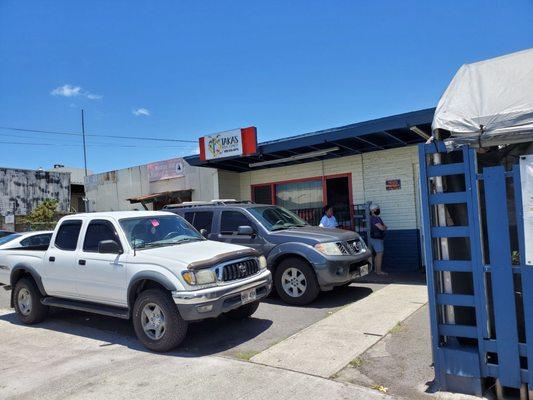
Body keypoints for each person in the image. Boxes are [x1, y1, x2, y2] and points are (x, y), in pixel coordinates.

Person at [369, 204, 387, 275]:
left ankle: (376, 270)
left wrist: (384, 227)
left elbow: (384, 226)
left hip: (379, 238)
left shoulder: (378, 218)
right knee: (379, 254)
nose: (378, 210)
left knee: (377, 255)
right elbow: (382, 228)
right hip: (376, 239)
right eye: (377, 209)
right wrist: (384, 227)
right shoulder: (373, 219)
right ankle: (379, 271)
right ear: (373, 211)